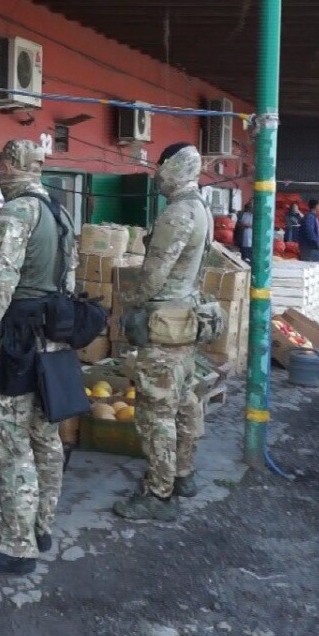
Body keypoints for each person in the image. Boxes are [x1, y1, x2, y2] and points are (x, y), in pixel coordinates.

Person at [0, 139, 74, 576]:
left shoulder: (16, 213)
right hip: (52, 344)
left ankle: (16, 547)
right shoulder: (59, 213)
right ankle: (41, 526)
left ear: (10, 166)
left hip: (17, 347)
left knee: (11, 444)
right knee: (47, 439)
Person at [113, 142, 211, 523]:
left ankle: (158, 493)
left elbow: (153, 275)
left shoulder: (178, 213)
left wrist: (127, 305)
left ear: (173, 167)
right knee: (185, 402)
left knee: (157, 412)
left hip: (163, 327)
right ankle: (182, 474)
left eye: (160, 166)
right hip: (185, 321)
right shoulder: (201, 208)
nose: (155, 175)